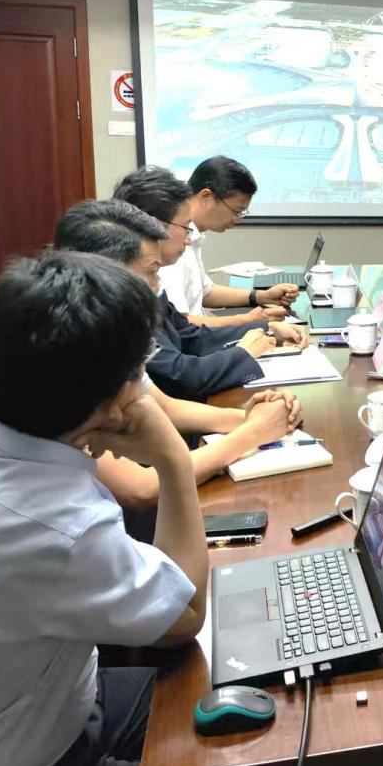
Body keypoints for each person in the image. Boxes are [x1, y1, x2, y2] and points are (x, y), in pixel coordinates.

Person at [0, 251, 208, 766]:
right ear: (115, 402)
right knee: (257, 732)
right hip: (29, 765)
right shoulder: (61, 527)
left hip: (14, 708)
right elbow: (183, 616)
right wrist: (173, 460)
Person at [54, 198, 304, 510]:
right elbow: (142, 489)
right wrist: (251, 433)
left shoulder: (105, 329)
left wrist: (258, 419)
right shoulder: (61, 347)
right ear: (106, 273)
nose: (157, 287)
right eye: (152, 272)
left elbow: (166, 407)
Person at [112, 168, 308, 399]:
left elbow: (189, 335)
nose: (188, 239)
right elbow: (178, 375)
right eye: (185, 227)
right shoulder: (122, 297)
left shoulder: (149, 280)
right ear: (153, 226)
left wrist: (267, 328)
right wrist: (243, 352)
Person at [158, 155, 297, 327]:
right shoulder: (174, 244)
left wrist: (261, 296)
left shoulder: (192, 235)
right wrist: (249, 320)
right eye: (236, 211)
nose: (237, 220)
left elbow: (205, 292)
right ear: (206, 197)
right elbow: (177, 324)